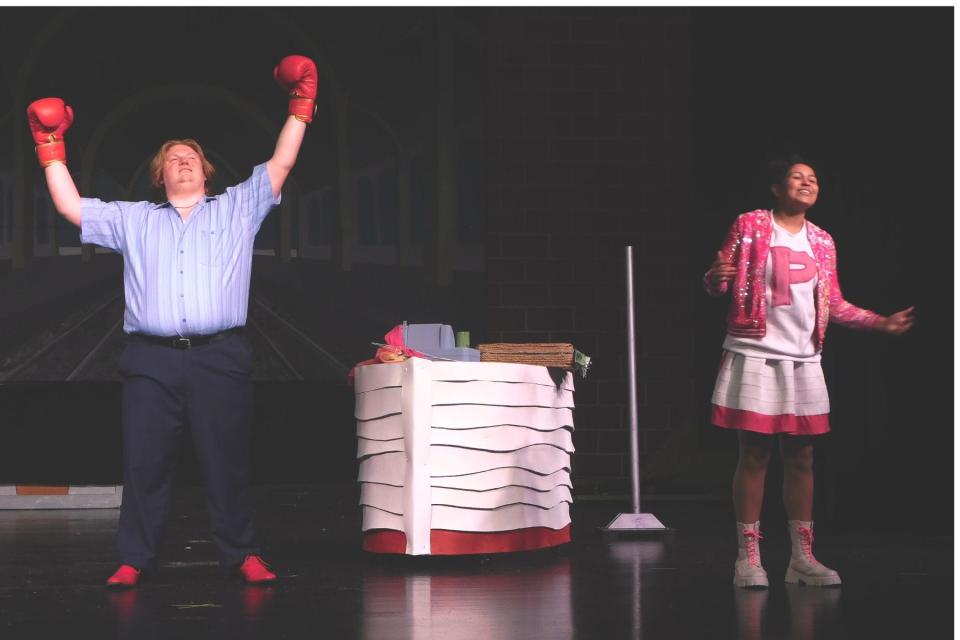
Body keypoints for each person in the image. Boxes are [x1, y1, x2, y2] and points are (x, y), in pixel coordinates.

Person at [26, 54, 319, 587]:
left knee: (226, 461)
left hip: (220, 355)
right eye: (173, 158)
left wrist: (301, 107)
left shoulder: (238, 209)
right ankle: (133, 559)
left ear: (205, 172)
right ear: (160, 176)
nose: (183, 160)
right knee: (144, 464)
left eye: (191, 156)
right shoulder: (132, 219)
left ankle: (243, 554)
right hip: (150, 360)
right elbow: (72, 207)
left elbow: (281, 162)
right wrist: (51, 149)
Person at [703, 155, 914, 588]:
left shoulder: (822, 240)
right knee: (755, 454)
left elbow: (834, 304)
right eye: (796, 177)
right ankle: (749, 559)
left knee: (802, 458)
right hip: (756, 350)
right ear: (777, 188)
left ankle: (802, 558)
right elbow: (719, 279)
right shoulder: (750, 224)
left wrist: (880, 321)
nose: (806, 183)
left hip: (804, 358)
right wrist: (713, 278)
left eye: (813, 179)